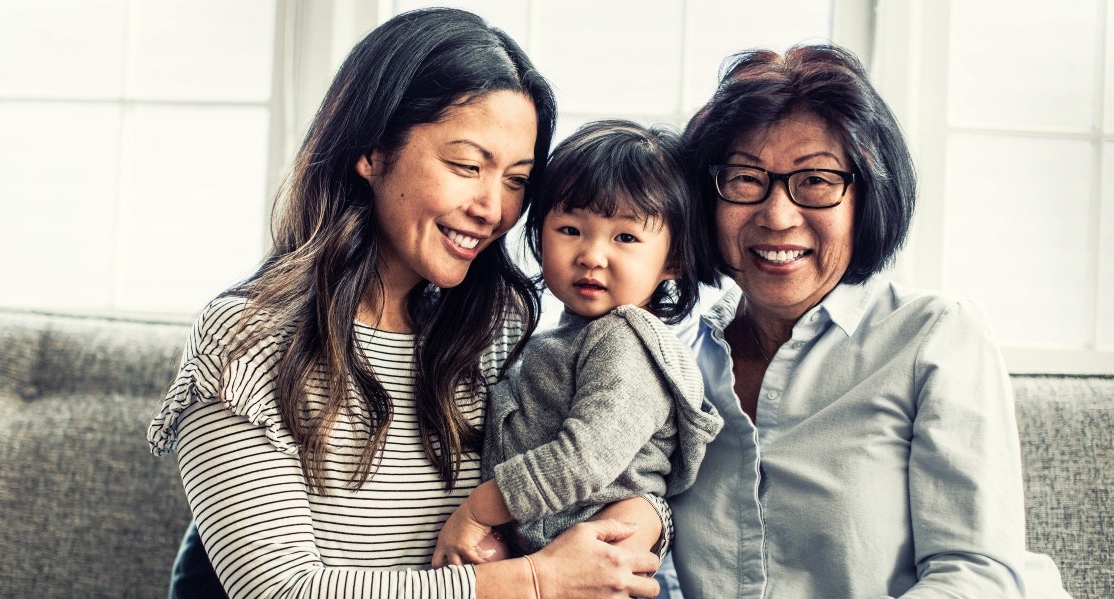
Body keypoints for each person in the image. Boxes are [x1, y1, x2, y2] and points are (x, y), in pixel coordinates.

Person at [146, 8, 662, 599]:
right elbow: (278, 590)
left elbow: (589, 474)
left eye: (517, 180)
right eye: (467, 166)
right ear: (372, 151)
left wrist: (647, 520)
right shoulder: (246, 341)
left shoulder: (497, 330)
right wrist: (533, 579)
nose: (492, 208)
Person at [668, 44, 1071, 598]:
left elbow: (974, 576)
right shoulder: (669, 357)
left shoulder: (935, 338)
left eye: (816, 180)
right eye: (743, 179)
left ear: (868, 196)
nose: (777, 216)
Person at [431, 120, 723, 566]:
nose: (591, 255)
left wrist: (477, 510)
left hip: (594, 561)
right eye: (570, 229)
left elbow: (584, 460)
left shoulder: (629, 342)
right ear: (539, 235)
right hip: (544, 552)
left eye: (625, 237)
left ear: (675, 259)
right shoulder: (563, 336)